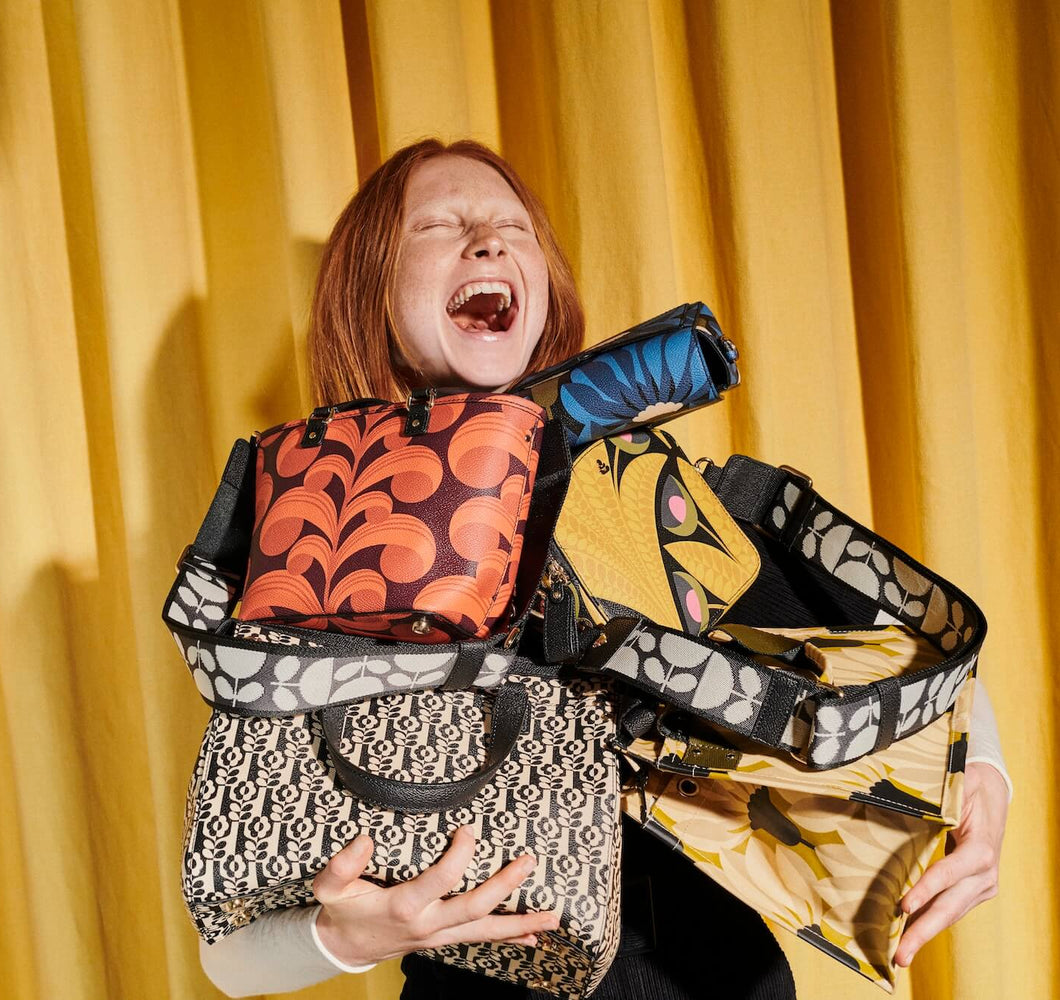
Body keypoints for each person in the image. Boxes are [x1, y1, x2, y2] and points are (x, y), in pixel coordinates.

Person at [196, 139, 1011, 999]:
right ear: (373, 296)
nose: (487, 241)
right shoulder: (316, 531)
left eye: (512, 227)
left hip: (727, 981)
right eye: (438, 225)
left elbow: (901, 653)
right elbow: (228, 953)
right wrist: (344, 936)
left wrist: (983, 782)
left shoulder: (658, 500)